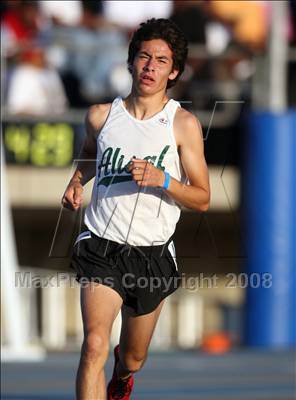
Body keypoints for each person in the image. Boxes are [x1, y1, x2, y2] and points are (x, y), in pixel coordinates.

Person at [62, 18, 210, 400]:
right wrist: (78, 181)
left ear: (174, 71)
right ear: (131, 62)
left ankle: (123, 375)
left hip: (153, 255)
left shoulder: (182, 124)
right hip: (102, 245)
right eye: (144, 56)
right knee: (93, 344)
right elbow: (91, 155)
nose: (150, 66)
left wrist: (162, 179)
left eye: (161, 60)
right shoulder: (100, 116)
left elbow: (203, 197)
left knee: (133, 357)